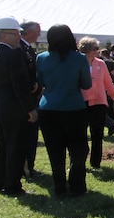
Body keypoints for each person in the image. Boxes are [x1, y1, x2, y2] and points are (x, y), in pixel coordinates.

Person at [0, 17, 39, 196]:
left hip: (0, 107)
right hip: (16, 110)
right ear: (3, 35)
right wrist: (29, 109)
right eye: (15, 33)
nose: (18, 37)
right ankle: (12, 185)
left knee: (1, 147)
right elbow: (20, 86)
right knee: (16, 148)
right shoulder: (14, 55)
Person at [35, 25, 92, 196]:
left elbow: (40, 82)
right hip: (74, 109)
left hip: (48, 109)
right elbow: (86, 84)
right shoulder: (79, 58)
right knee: (78, 150)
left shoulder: (41, 58)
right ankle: (77, 185)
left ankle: (59, 186)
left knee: (55, 151)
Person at [78, 36, 114, 170]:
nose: (97, 51)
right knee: (80, 135)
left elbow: (108, 84)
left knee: (97, 134)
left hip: (99, 103)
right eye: (94, 48)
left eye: (97, 48)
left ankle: (95, 163)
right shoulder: (77, 62)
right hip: (81, 103)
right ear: (86, 49)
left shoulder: (101, 63)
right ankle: (78, 162)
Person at [19, 21, 43, 178]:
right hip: (26, 99)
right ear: (29, 32)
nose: (40, 35)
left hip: (32, 97)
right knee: (27, 137)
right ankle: (26, 167)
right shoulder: (20, 49)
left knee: (31, 136)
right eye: (38, 32)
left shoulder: (26, 48)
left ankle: (29, 166)